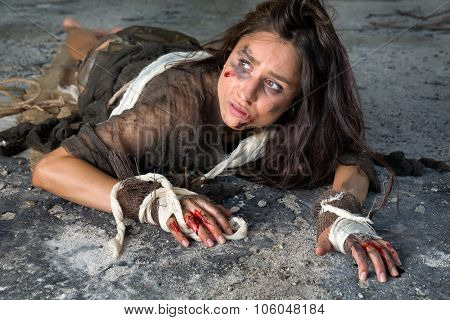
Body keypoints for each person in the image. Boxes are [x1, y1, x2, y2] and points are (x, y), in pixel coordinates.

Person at [31, 0, 402, 283]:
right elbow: (50, 168)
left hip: (176, 47)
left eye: (273, 84)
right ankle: (77, 28)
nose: (244, 93)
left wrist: (340, 214)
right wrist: (152, 201)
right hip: (122, 58)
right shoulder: (172, 112)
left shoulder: (300, 116)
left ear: (301, 99)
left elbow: (350, 156)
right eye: (244, 64)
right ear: (232, 52)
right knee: (86, 49)